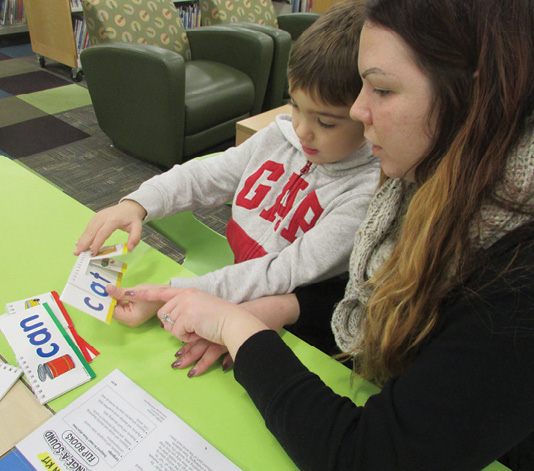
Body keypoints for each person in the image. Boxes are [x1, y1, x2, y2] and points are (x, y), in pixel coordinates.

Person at [107, 0, 534, 469]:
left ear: (475, 96)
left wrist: (236, 326)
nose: (358, 109)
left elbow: (370, 455)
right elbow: (362, 303)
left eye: (382, 89)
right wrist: (275, 309)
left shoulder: (513, 274)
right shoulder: (424, 181)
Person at [74, 0, 379, 319]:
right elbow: (202, 176)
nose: (302, 131)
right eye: (296, 106)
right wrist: (136, 204)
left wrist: (173, 295)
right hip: (233, 282)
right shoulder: (279, 137)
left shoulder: (363, 193)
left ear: (367, 115)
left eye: (326, 122)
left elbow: (282, 273)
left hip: (283, 316)